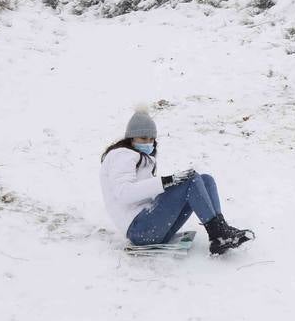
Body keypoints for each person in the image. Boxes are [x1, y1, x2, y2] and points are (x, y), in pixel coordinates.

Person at [99, 106, 253, 255]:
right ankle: (218, 234)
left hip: (151, 227)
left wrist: (171, 186)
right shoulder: (121, 155)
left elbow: (148, 193)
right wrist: (165, 182)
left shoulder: (141, 159)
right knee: (191, 181)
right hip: (139, 230)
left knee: (204, 179)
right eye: (143, 138)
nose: (148, 143)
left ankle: (220, 230)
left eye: (151, 139)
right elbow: (124, 193)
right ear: (131, 138)